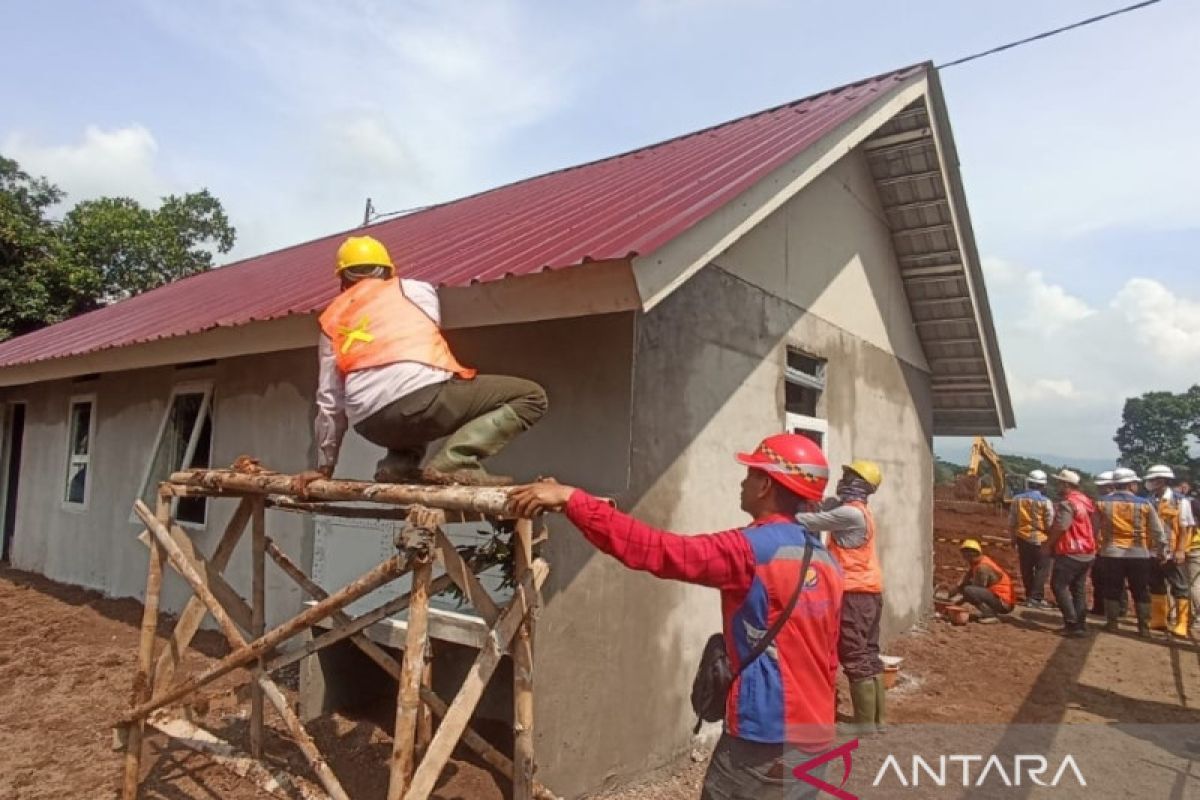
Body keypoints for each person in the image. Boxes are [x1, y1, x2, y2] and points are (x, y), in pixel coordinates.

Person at [508, 434, 844, 800]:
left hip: (763, 738)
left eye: (750, 474)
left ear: (765, 485)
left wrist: (573, 500)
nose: (742, 482)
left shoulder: (751, 550)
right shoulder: (826, 560)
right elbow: (829, 656)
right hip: (816, 733)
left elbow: (657, 551)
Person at [296, 235, 548, 488]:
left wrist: (324, 468)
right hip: (420, 404)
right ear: (387, 270)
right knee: (531, 396)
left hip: (370, 424)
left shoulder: (332, 319)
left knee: (414, 402)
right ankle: (456, 460)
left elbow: (329, 401)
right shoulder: (415, 290)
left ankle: (397, 466)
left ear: (342, 278)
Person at [794, 460, 885, 734]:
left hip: (854, 594)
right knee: (869, 653)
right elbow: (828, 509)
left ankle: (864, 726)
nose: (842, 480)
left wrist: (783, 510)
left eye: (848, 476)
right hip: (868, 592)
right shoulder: (860, 511)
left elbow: (808, 521)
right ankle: (877, 722)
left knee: (854, 654)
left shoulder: (851, 515)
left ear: (859, 484)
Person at [1094, 468, 1166, 638]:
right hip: (1139, 554)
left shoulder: (1102, 503)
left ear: (1114, 484)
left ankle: (1112, 624)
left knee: (1112, 588)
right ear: (1131, 484)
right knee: (1140, 590)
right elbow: (1157, 531)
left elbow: (1093, 529)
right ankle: (1143, 627)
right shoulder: (1144, 503)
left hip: (1111, 553)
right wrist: (1161, 550)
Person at [1043, 470, 1096, 638]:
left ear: (1066, 485)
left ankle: (1071, 622)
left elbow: (1062, 526)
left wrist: (1048, 544)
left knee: (1059, 586)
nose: (1057, 486)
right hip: (1087, 551)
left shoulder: (1067, 504)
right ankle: (1080, 625)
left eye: (1060, 483)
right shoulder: (1086, 501)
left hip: (1070, 551)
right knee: (1078, 589)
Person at [1142, 465, 1192, 636]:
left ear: (1161, 481)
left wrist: (1180, 550)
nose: (1149, 483)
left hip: (1172, 552)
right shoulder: (1149, 500)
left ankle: (1182, 623)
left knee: (1180, 586)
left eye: (1153, 480)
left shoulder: (1180, 501)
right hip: (1152, 551)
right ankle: (1159, 620)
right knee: (1156, 584)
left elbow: (1185, 529)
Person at [1007, 469, 1055, 608]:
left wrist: (1013, 539)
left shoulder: (1017, 499)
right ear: (1043, 485)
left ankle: (1030, 595)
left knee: (1026, 568)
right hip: (1041, 539)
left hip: (1023, 538)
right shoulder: (1046, 502)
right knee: (1042, 569)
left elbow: (1012, 522)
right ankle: (1036, 598)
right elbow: (1050, 523)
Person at [950, 539, 1014, 623]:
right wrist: (956, 589)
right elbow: (966, 579)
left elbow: (975, 590)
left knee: (969, 591)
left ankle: (990, 614)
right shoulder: (977, 563)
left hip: (1004, 603)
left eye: (965, 555)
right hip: (999, 598)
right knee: (968, 589)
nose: (964, 558)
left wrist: (956, 604)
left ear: (971, 554)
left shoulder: (982, 568)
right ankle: (989, 612)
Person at [1087, 471, 1117, 617]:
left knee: (1100, 579)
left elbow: (1094, 527)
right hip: (1116, 547)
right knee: (1113, 580)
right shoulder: (1124, 502)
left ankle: (1101, 609)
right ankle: (1115, 610)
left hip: (1104, 547)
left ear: (1110, 486)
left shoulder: (1102, 503)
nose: (1099, 489)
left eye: (1102, 486)